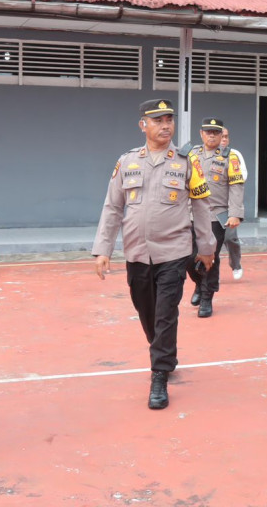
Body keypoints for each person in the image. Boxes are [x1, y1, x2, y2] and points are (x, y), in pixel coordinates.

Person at [92, 99, 215, 411]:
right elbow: (112, 207)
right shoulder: (127, 161)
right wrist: (103, 249)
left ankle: (159, 374)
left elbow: (202, 208)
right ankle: (163, 352)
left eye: (169, 119)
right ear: (142, 125)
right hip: (136, 253)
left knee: (165, 314)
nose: (165, 125)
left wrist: (207, 248)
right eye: (157, 120)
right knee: (147, 312)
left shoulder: (188, 162)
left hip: (173, 252)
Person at [187, 118, 246, 317]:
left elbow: (237, 186)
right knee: (188, 257)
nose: (212, 135)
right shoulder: (190, 154)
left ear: (222, 135)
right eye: (208, 132)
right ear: (201, 133)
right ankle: (198, 283)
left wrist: (235, 214)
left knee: (209, 256)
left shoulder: (230, 157)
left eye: (216, 132)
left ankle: (206, 298)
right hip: (191, 214)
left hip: (216, 214)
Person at [220, 127, 248, 281]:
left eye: (226, 137)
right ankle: (212, 272)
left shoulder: (234, 154)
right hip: (210, 206)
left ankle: (236, 264)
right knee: (210, 243)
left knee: (230, 238)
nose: (224, 139)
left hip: (228, 205)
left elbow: (242, 175)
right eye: (222, 136)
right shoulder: (204, 155)